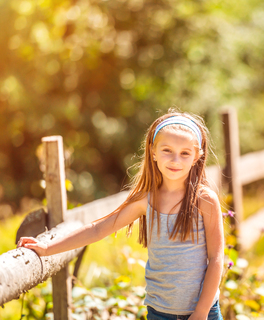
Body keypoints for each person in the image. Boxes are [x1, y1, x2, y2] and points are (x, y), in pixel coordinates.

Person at [17, 109, 225, 320]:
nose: (175, 160)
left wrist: (201, 312)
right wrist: (47, 248)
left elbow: (216, 257)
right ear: (153, 151)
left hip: (204, 313)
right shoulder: (146, 199)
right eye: (167, 150)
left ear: (197, 156)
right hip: (159, 313)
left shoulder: (204, 200)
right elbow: (98, 229)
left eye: (185, 153)